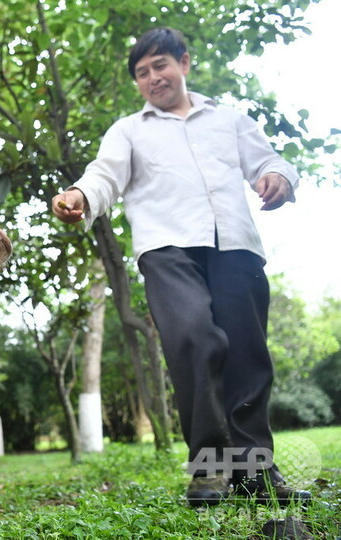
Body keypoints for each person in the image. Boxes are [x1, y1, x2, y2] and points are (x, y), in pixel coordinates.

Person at [52, 27, 311, 507]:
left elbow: (268, 161)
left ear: (184, 63)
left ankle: (255, 472)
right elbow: (104, 175)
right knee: (192, 337)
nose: (153, 77)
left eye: (160, 65)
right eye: (142, 72)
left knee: (248, 355)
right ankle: (210, 467)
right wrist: (80, 195)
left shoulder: (229, 119)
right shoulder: (129, 130)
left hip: (235, 244)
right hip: (166, 248)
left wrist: (277, 177)